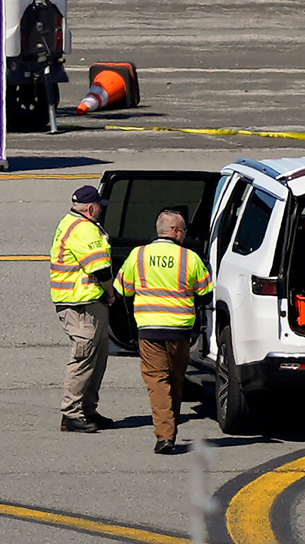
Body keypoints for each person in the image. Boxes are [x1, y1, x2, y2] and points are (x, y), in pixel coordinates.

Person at [115, 210, 214, 454]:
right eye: (183, 231)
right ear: (176, 232)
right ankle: (170, 428)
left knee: (157, 382)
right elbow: (206, 293)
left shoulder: (138, 255)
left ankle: (165, 435)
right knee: (175, 379)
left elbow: (123, 290)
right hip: (180, 330)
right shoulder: (189, 258)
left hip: (150, 330)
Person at [50, 185, 117, 433]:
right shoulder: (83, 229)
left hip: (86, 302)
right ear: (91, 208)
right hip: (81, 305)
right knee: (83, 358)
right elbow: (99, 268)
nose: (101, 210)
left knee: (97, 359)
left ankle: (88, 410)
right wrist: (110, 293)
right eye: (100, 206)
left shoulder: (73, 222)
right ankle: (72, 414)